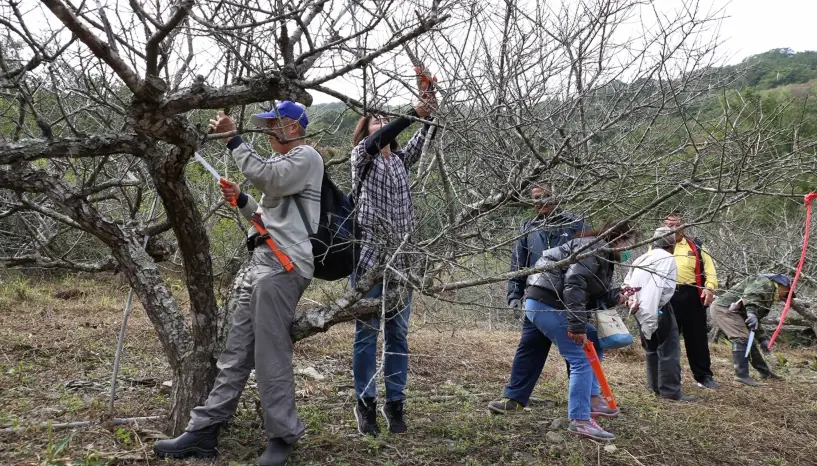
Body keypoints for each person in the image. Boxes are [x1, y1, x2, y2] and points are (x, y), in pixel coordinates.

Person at [153, 101, 323, 465]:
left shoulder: (306, 156)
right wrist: (242, 200)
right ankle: (204, 430)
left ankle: (282, 435)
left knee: (269, 352)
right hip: (264, 262)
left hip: (283, 265)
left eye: (271, 124)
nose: (265, 130)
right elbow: (268, 214)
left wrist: (234, 138)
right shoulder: (283, 163)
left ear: (292, 127)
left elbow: (269, 179)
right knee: (236, 352)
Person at [350, 67, 436, 436]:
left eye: (384, 119)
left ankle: (395, 403)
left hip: (403, 262)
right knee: (366, 332)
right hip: (368, 260)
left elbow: (429, 127)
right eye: (375, 121)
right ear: (366, 130)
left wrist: (429, 94)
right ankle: (365, 403)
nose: (381, 125)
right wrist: (409, 115)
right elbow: (383, 137)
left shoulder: (400, 160)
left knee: (398, 334)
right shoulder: (361, 157)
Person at [504, 219, 636, 441]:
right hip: (547, 303)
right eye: (628, 245)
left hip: (547, 302)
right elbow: (574, 284)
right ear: (618, 238)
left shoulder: (601, 253)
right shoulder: (593, 248)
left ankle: (593, 400)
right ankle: (580, 420)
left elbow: (590, 292)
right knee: (582, 357)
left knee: (592, 339)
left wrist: (616, 295)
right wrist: (576, 326)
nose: (628, 252)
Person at [488, 185, 587, 414]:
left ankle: (586, 404)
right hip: (538, 297)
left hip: (569, 298)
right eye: (536, 198)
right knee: (529, 347)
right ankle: (514, 399)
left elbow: (587, 260)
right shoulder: (529, 227)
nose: (541, 202)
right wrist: (514, 293)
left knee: (575, 352)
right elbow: (519, 263)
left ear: (558, 195)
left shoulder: (576, 224)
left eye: (546, 196)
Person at [625, 227, 695, 401]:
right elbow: (664, 288)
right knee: (669, 349)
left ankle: (654, 388)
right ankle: (670, 391)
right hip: (658, 307)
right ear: (672, 243)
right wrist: (656, 306)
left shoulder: (643, 257)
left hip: (639, 307)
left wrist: (636, 303)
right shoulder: (668, 258)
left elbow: (628, 283)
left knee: (651, 349)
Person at [663, 211, 719, 389]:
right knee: (667, 339)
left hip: (692, 295)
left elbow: (710, 271)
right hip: (667, 296)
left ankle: (703, 376)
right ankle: (669, 378)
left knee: (697, 338)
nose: (672, 228)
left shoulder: (696, 245)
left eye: (676, 224)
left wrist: (709, 288)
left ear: (683, 225)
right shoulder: (657, 246)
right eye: (668, 225)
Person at [711, 273, 789, 386]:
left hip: (733, 311)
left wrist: (762, 338)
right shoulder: (765, 283)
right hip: (724, 308)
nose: (785, 297)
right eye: (787, 293)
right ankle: (741, 375)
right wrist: (752, 313)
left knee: (748, 341)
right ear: (783, 286)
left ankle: (764, 372)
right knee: (741, 337)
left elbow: (754, 318)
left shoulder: (768, 293)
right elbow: (751, 295)